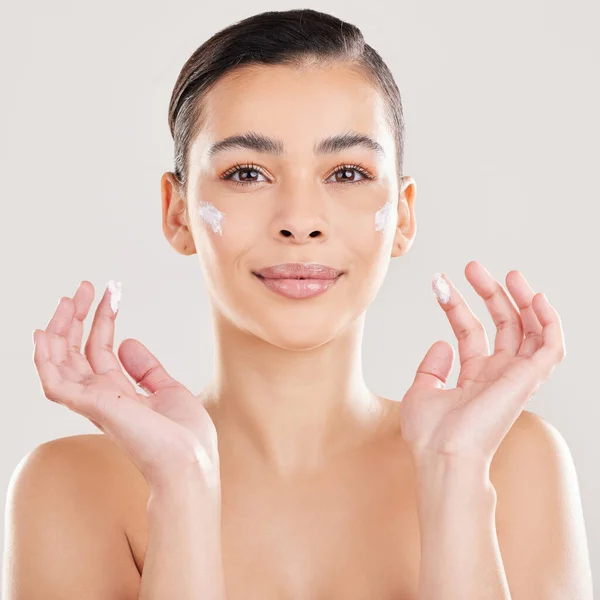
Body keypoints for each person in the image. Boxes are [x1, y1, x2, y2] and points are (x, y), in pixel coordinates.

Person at [3, 8, 592, 600]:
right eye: (249, 172)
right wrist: (181, 490)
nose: (300, 221)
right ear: (177, 212)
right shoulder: (71, 487)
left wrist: (455, 476)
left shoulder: (510, 463)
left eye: (347, 173)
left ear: (404, 214)